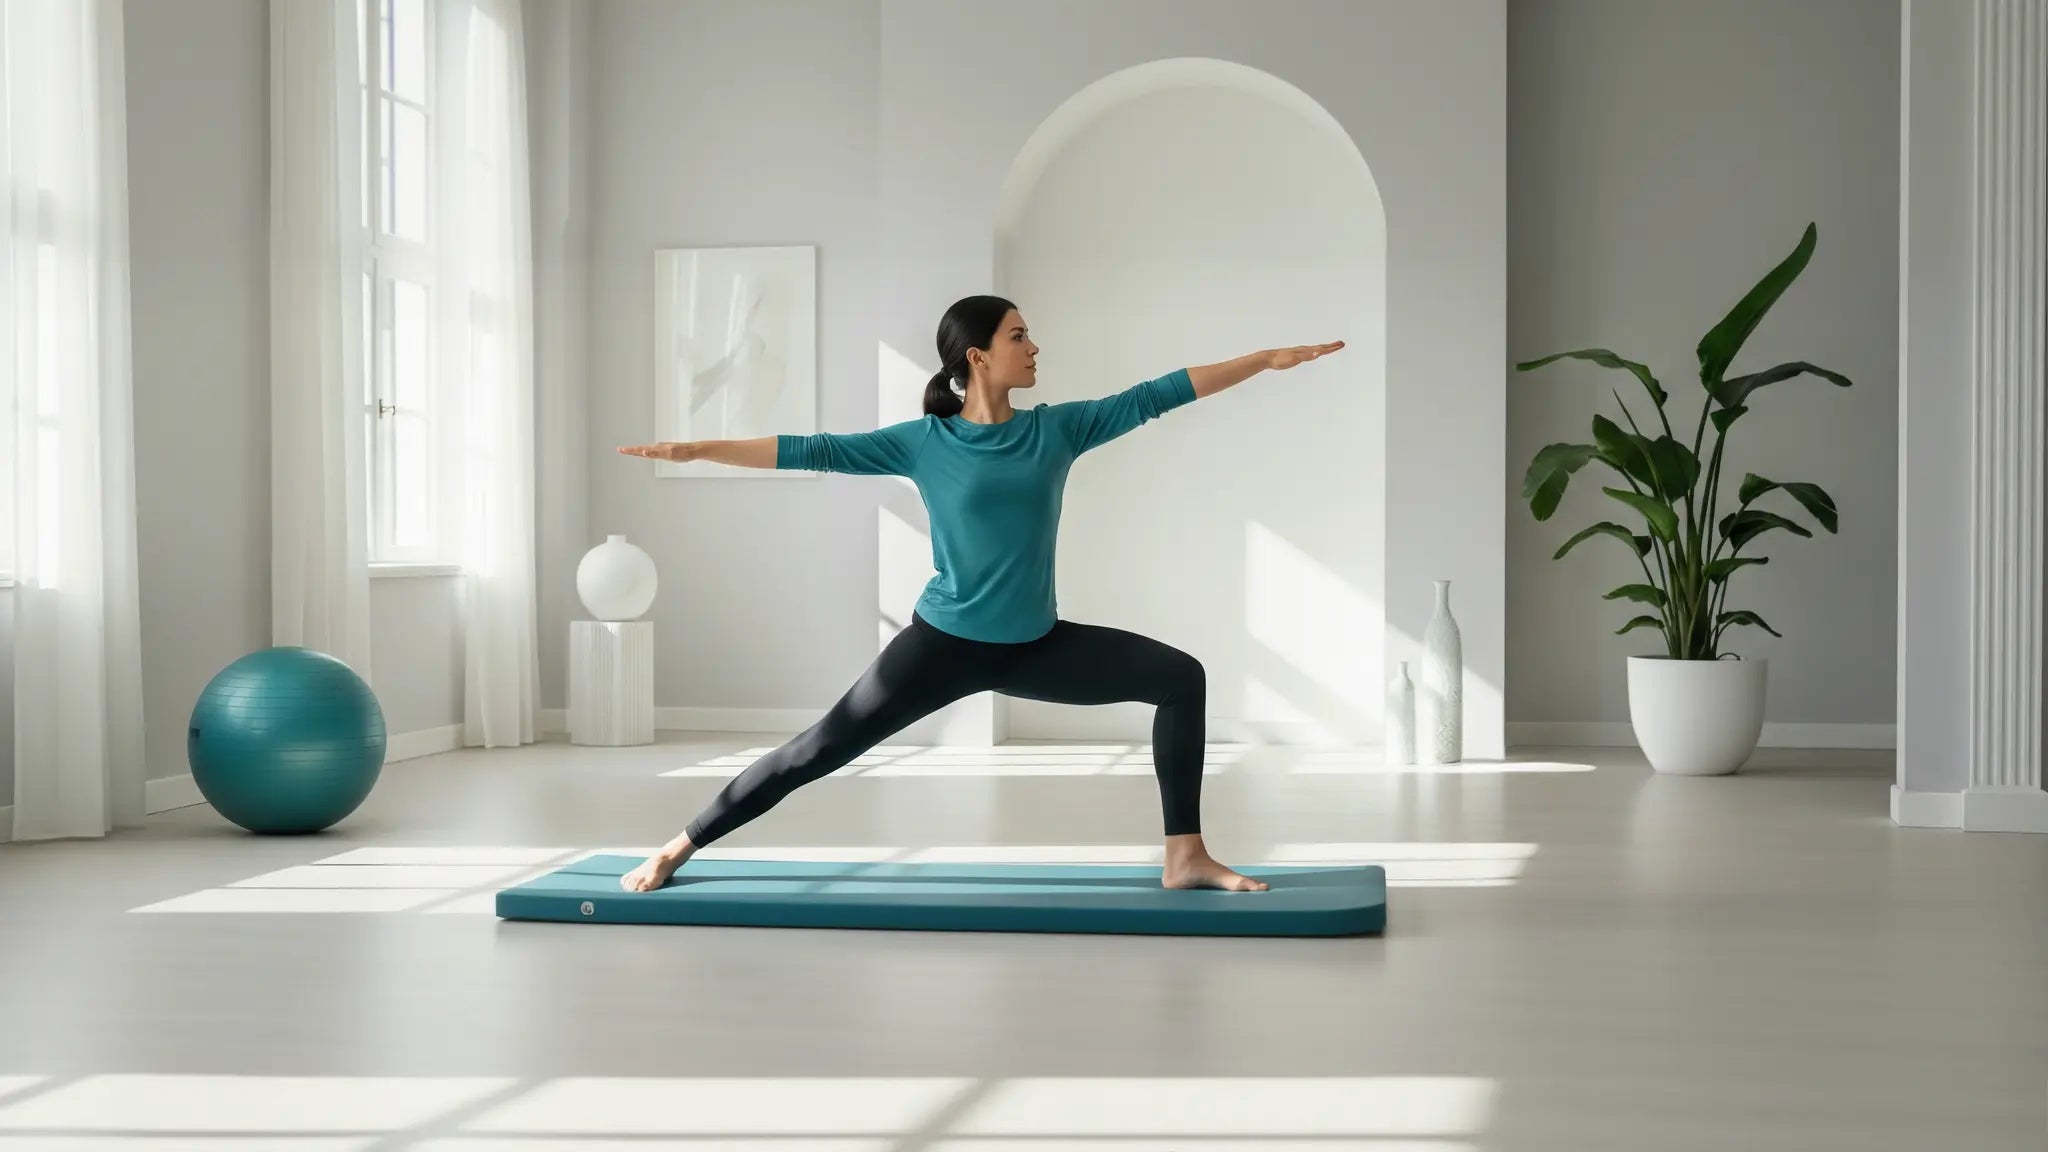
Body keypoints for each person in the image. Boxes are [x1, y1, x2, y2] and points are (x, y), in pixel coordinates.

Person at [616, 295, 1343, 894]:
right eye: (1019, 336)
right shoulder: (924, 441)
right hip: (943, 646)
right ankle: (680, 846)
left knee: (1181, 679)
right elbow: (815, 450)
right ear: (978, 356)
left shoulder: (1058, 429)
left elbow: (1160, 393)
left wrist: (1264, 360)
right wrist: (697, 448)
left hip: (1036, 646)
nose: (1034, 347)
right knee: (816, 751)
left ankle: (1185, 855)